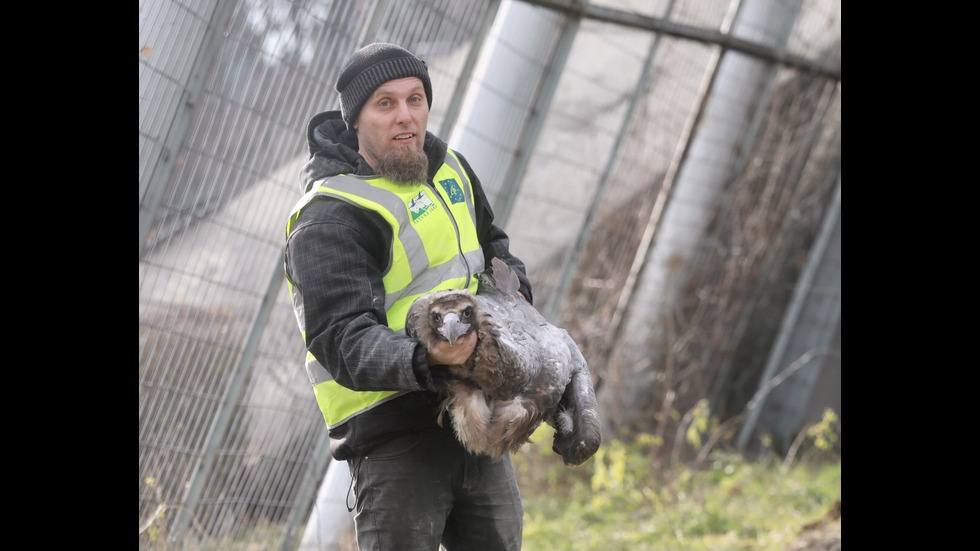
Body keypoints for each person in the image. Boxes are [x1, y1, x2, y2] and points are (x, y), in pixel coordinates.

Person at [284, 42, 533, 551]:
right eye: (385, 104)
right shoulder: (330, 215)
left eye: (415, 99)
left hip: (477, 418)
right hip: (396, 440)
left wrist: (516, 302)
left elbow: (493, 250)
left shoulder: (451, 170)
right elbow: (341, 338)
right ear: (355, 120)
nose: (405, 118)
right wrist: (429, 359)